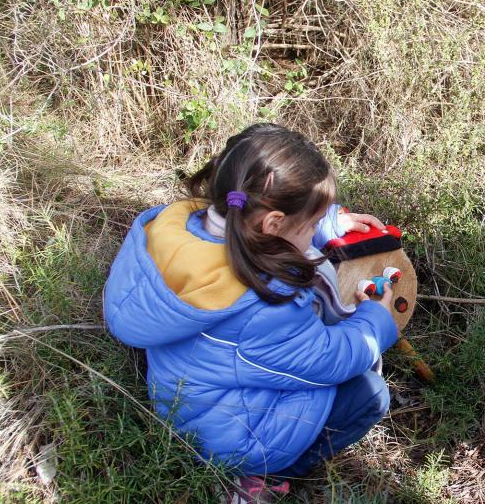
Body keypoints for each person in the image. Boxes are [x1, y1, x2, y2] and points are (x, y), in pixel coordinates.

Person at [103, 123, 400, 501]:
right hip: (231, 441)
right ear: (274, 223)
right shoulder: (262, 303)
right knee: (368, 394)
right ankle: (261, 477)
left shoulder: (179, 228)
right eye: (309, 225)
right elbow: (330, 359)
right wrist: (375, 321)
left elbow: (266, 227)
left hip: (191, 404)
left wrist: (326, 221)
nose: (312, 234)